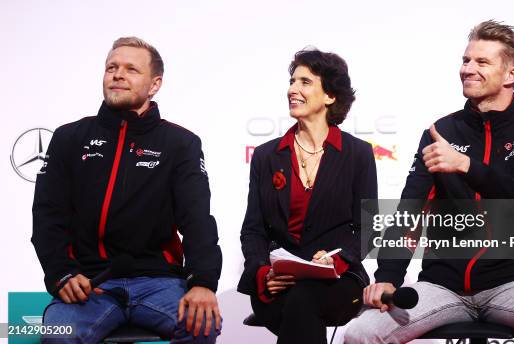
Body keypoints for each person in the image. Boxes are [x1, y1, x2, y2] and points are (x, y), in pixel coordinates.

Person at [345, 20, 514, 344]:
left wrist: (467, 166)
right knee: (361, 333)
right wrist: (387, 278)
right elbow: (408, 214)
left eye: (482, 62)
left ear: (511, 73)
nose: (468, 69)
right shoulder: (441, 132)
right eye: (466, 60)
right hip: (442, 286)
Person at [32, 37, 222, 343]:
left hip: (159, 282)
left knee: (202, 324)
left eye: (131, 69)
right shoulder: (69, 137)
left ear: (154, 84)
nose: (117, 74)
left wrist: (203, 282)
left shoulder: (181, 143)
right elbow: (47, 216)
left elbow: (197, 220)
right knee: (59, 335)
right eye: (112, 67)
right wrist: (61, 273)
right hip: (90, 283)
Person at [238, 48, 377, 344]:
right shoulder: (266, 156)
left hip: (340, 280)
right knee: (298, 302)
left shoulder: (358, 154)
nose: (292, 89)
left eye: (305, 82)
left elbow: (368, 228)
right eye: (292, 81)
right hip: (278, 284)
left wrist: (337, 259)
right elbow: (253, 229)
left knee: (302, 301)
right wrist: (263, 274)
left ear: (329, 96)